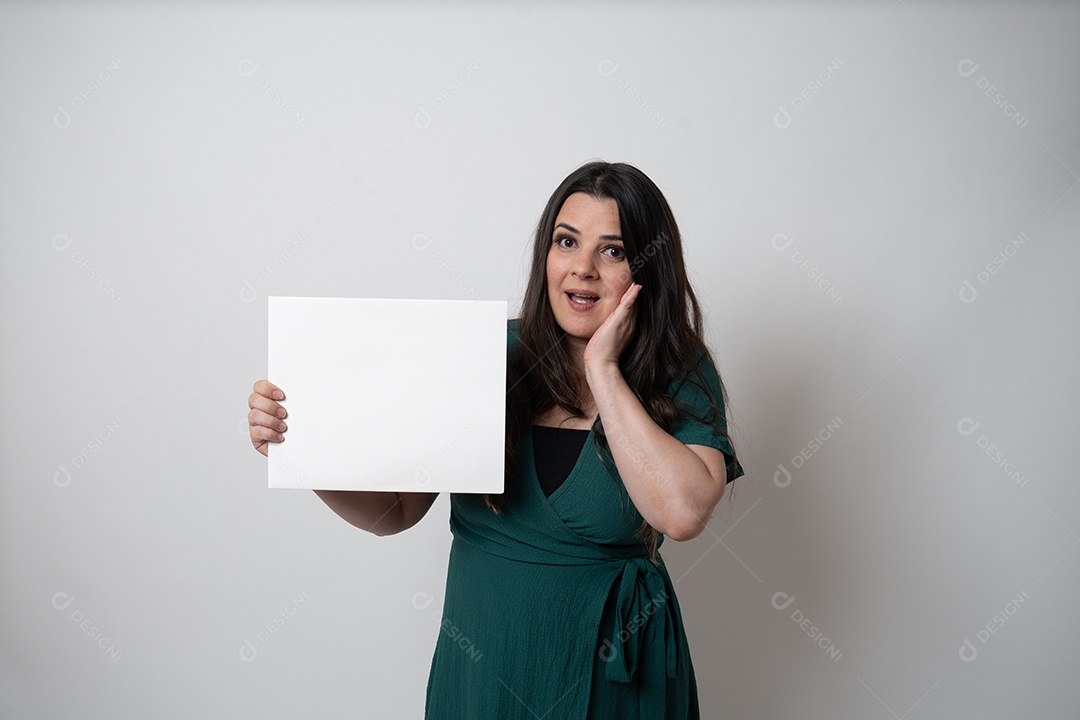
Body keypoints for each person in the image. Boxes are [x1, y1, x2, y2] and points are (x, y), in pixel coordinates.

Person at [247, 160, 744, 718]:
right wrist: (304, 452)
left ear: (647, 269)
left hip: (615, 683)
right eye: (566, 242)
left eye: (612, 250)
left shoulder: (678, 369)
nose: (582, 268)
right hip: (483, 672)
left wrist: (604, 369)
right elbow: (396, 511)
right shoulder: (487, 354)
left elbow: (682, 513)